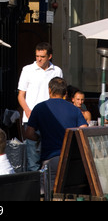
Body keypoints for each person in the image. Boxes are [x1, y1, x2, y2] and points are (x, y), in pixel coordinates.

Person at [25, 77, 88, 189]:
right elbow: (84, 130)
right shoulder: (75, 109)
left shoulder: (40, 108)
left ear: (49, 90)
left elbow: (29, 133)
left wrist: (40, 138)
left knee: (50, 193)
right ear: (65, 93)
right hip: (72, 159)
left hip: (50, 159)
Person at [18, 42, 63, 171]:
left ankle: (47, 187)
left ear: (49, 56)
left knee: (50, 156)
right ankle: (36, 189)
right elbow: (21, 95)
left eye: (42, 56)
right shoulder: (27, 69)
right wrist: (27, 111)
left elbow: (59, 94)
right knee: (33, 159)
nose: (38, 59)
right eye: (37, 56)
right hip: (32, 119)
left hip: (51, 119)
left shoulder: (57, 70)